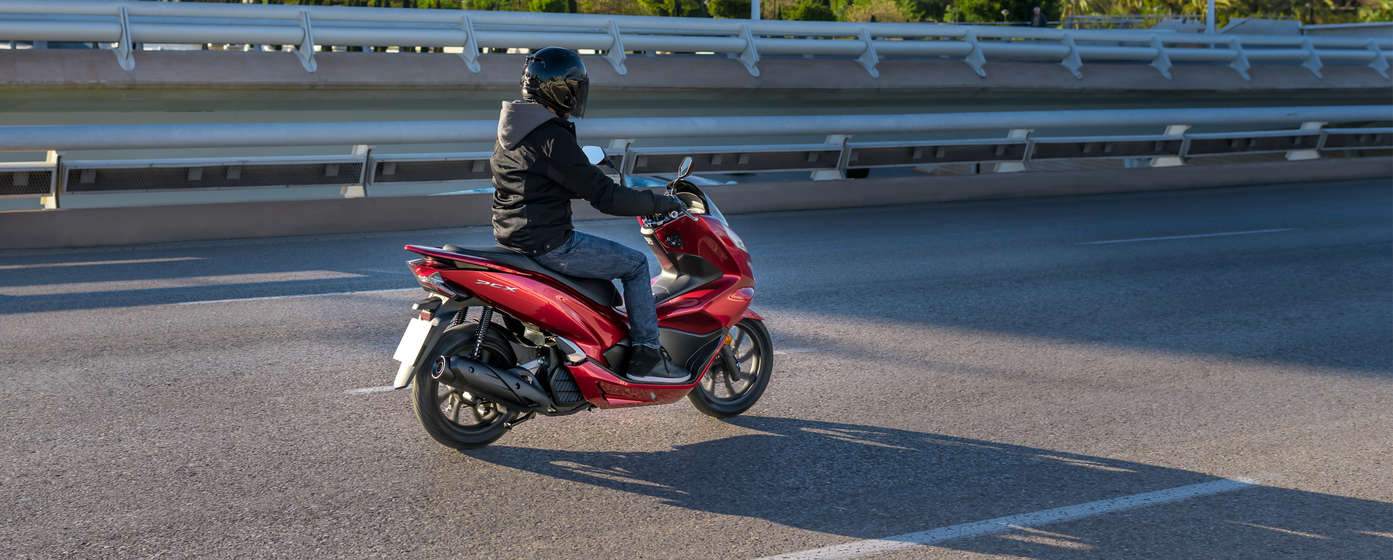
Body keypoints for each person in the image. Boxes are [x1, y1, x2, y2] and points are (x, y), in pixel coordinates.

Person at [489, 46, 690, 384]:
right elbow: (607, 198)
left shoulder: (514, 131)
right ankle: (646, 354)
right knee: (636, 264)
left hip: (513, 237)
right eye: (575, 86)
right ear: (561, 89)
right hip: (550, 243)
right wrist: (658, 203)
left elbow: (533, 181)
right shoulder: (551, 136)